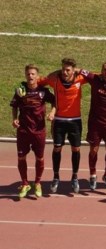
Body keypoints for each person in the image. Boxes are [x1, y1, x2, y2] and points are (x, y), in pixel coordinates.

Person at [37, 58, 88, 193]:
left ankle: (75, 177)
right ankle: (56, 177)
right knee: (57, 148)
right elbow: (38, 81)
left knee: (76, 149)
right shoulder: (55, 80)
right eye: (63, 69)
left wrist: (80, 70)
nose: (65, 72)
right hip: (59, 121)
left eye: (68, 70)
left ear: (73, 70)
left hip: (75, 121)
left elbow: (96, 76)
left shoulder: (80, 79)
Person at [11, 64, 56, 198]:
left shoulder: (43, 91)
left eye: (32, 74)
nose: (30, 76)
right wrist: (14, 119)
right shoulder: (20, 90)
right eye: (28, 74)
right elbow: (14, 106)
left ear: (37, 76)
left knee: (40, 157)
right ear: (25, 75)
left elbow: (55, 102)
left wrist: (53, 113)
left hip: (39, 130)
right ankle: (25, 183)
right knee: (21, 157)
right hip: (23, 131)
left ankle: (37, 182)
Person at [80, 61, 106, 191]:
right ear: (101, 71)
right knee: (93, 150)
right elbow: (80, 70)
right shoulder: (95, 79)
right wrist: (66, 69)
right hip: (95, 124)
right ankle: (93, 175)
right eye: (104, 69)